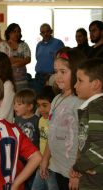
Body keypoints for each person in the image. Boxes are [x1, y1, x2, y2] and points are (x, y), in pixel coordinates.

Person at [40, 47, 85, 190]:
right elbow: (51, 134)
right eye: (56, 71)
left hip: (71, 172)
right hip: (56, 167)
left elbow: (84, 141)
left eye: (63, 72)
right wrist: (45, 158)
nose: (57, 76)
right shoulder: (56, 99)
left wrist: (77, 172)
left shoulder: (80, 102)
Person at [69, 58, 103, 190]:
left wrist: (79, 166)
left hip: (96, 178)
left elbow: (100, 145)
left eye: (80, 81)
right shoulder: (92, 106)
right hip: (90, 171)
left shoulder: (97, 106)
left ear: (95, 84)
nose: (75, 85)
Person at [31, 86, 59, 190]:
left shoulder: (56, 121)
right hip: (42, 163)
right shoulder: (41, 120)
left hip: (53, 165)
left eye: (45, 105)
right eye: (39, 106)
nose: (41, 109)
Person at [14, 88, 40, 190]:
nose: (15, 106)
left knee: (31, 184)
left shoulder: (37, 121)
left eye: (19, 104)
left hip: (32, 160)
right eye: (15, 103)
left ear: (30, 107)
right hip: (20, 159)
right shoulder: (16, 119)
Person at [0, 23, 31, 92]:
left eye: (18, 31)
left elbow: (28, 59)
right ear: (9, 33)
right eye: (14, 31)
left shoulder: (24, 45)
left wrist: (13, 61)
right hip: (6, 80)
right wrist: (21, 59)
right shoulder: (3, 45)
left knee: (22, 100)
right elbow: (3, 60)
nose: (17, 33)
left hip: (22, 80)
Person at [34, 23, 64, 94]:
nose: (45, 34)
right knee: (39, 98)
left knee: (51, 98)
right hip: (39, 77)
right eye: (43, 32)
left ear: (51, 31)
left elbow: (63, 60)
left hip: (52, 77)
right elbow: (37, 59)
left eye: (47, 31)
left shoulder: (58, 43)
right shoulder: (39, 45)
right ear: (40, 34)